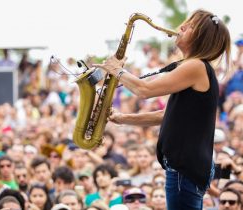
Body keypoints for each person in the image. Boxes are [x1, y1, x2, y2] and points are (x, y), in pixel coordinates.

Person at [93, 9, 231, 210]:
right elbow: (166, 115)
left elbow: (144, 89)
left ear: (202, 37)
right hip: (185, 170)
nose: (181, 27)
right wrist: (122, 118)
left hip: (184, 170)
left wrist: (116, 69)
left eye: (190, 25)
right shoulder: (196, 68)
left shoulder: (196, 66)